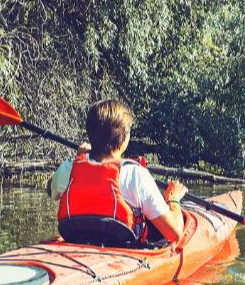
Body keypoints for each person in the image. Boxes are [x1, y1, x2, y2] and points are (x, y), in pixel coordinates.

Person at [46, 99, 188, 248]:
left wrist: (79, 160)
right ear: (124, 137)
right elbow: (175, 233)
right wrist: (173, 199)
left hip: (76, 249)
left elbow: (51, 189)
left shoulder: (69, 169)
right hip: (124, 257)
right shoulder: (136, 175)